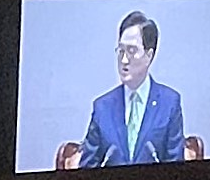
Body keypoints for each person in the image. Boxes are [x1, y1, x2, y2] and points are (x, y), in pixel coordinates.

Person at [78, 10, 189, 168]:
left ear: (149, 55)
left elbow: (175, 167)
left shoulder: (169, 102)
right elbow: (87, 168)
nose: (123, 60)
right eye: (121, 51)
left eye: (131, 51)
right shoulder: (102, 106)